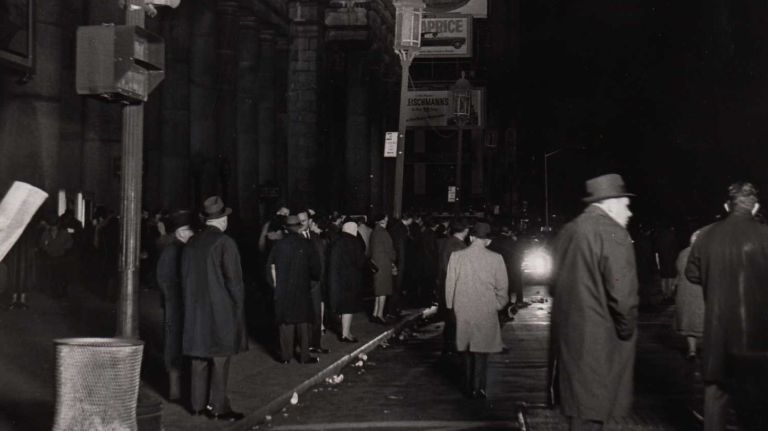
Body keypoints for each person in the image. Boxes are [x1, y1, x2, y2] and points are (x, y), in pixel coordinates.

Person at [551, 173, 638, 431]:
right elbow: (623, 296)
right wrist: (626, 329)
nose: (629, 212)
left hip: (570, 342)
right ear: (610, 203)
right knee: (596, 414)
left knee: (579, 414)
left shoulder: (569, 231)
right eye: (626, 204)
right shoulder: (613, 233)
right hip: (601, 346)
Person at [685, 182, 768, 431]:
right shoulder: (765, 235)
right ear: (756, 207)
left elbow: (692, 274)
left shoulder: (706, 236)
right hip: (758, 337)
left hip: (718, 333)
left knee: (715, 398)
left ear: (726, 206)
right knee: (757, 404)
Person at [181, 196, 247, 421]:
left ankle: (197, 406)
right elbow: (234, 281)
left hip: (195, 309)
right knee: (220, 358)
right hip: (220, 310)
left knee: (198, 357)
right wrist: (238, 307)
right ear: (223, 220)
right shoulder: (225, 242)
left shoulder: (192, 242)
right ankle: (218, 407)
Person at [445, 222, 508, 399]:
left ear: (471, 238)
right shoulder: (496, 259)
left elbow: (450, 285)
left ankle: (467, 386)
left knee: (465, 349)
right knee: (481, 351)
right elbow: (503, 289)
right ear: (488, 241)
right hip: (485, 309)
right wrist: (496, 305)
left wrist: (451, 307)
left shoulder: (456, 257)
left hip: (462, 308)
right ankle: (479, 387)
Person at [268, 215, 321, 364]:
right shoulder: (307, 244)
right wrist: (312, 281)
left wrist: (275, 286)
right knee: (303, 323)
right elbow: (316, 269)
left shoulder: (278, 245)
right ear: (299, 227)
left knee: (285, 323)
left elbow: (269, 267)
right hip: (302, 290)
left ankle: (286, 357)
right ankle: (304, 356)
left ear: (285, 228)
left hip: (283, 290)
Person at [156, 209, 194, 400]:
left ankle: (180, 389)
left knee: (179, 345)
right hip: (175, 307)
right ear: (180, 232)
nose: (193, 233)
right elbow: (164, 280)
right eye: (189, 230)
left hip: (182, 305)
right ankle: (175, 391)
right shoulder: (173, 250)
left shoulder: (183, 248)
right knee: (173, 346)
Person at [327, 220, 367, 342]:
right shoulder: (354, 242)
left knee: (342, 306)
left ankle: (344, 331)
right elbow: (361, 262)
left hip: (337, 278)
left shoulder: (336, 241)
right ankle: (345, 334)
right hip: (351, 279)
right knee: (348, 308)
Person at [438, 219, 469, 355]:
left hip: (447, 284)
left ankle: (449, 347)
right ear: (465, 230)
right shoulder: (458, 246)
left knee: (450, 319)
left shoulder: (447, 243)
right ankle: (453, 348)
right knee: (455, 320)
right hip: (456, 286)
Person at [673, 229, 705, 360]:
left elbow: (679, 270)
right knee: (702, 322)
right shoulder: (704, 254)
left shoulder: (683, 253)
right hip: (700, 292)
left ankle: (692, 351)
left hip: (685, 292)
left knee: (689, 323)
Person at [369, 214, 396, 324]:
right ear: (384, 220)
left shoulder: (374, 232)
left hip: (375, 264)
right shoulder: (384, 233)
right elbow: (390, 250)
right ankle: (380, 315)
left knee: (378, 291)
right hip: (384, 264)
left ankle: (375, 313)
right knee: (383, 290)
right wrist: (394, 259)